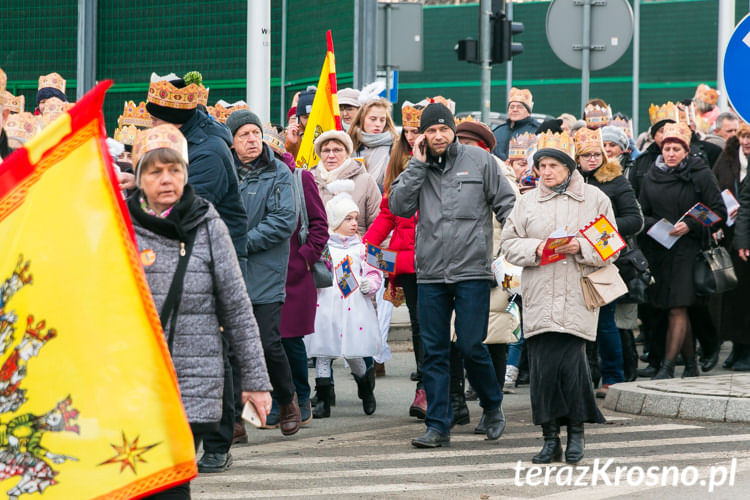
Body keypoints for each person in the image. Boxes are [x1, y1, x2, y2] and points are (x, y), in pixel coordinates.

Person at [128, 125, 272, 498]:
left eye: (174, 169)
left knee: (171, 486)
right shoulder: (119, 227)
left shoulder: (207, 224)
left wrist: (256, 381)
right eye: (155, 171)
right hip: (132, 383)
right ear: (139, 176)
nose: (166, 179)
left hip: (190, 384)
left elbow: (237, 308)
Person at [390, 102, 517, 448]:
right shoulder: (418, 166)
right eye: (430, 131)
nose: (437, 136)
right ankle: (438, 425)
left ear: (453, 130)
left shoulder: (481, 162)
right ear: (423, 137)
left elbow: (508, 207)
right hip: (430, 272)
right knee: (433, 351)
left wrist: (512, 252)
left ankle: (492, 406)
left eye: (443, 129)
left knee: (471, 343)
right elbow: (398, 205)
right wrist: (417, 165)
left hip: (472, 270)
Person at [500, 130, 614, 465]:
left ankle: (576, 433)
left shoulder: (594, 199)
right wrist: (537, 248)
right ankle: (550, 439)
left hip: (577, 293)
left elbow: (610, 246)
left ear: (569, 167)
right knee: (542, 372)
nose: (546, 172)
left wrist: (582, 247)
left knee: (573, 368)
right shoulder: (527, 201)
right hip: (539, 294)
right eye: (542, 165)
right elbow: (508, 243)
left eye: (553, 165)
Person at [224, 109, 301, 437]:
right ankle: (236, 418)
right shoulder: (225, 172)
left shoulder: (279, 172)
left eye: (255, 133)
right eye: (244, 135)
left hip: (266, 270)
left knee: (269, 342)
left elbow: (285, 220)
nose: (252, 140)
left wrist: (240, 243)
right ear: (232, 143)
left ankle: (287, 400)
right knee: (232, 346)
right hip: (230, 270)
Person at [639, 122, 726, 379]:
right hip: (661, 249)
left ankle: (667, 366)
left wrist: (689, 225)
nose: (671, 153)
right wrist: (657, 226)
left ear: (686, 151)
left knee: (678, 307)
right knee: (674, 308)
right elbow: (642, 214)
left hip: (689, 250)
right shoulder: (651, 176)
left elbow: (717, 211)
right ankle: (690, 365)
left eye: (677, 149)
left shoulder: (699, 173)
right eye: (667, 149)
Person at [363, 100, 425, 419]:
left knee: (437, 328)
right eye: (411, 131)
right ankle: (424, 388)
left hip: (437, 258)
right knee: (418, 326)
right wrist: (367, 245)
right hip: (406, 261)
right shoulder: (398, 164)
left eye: (420, 131)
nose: (415, 138)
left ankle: (444, 388)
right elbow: (387, 212)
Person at [267, 124, 330, 425]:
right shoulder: (248, 179)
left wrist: (304, 259)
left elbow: (319, 226)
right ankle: (279, 400)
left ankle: (300, 396)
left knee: (290, 341)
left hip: (294, 274)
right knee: (267, 340)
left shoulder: (299, 178)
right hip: (262, 273)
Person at [575, 127, 644, 397]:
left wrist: (599, 230)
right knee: (578, 325)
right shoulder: (569, 182)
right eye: (586, 155)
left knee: (605, 324)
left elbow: (635, 221)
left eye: (597, 154)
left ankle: (612, 377)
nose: (592, 159)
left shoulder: (617, 181)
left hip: (606, 260)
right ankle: (584, 377)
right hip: (574, 260)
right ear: (576, 158)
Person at [305, 191, 383, 418]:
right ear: (336, 221)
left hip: (354, 307)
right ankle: (323, 398)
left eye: (355, 218)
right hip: (327, 306)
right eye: (348, 218)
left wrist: (372, 283)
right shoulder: (324, 247)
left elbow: (376, 271)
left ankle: (365, 388)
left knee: (353, 352)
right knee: (323, 351)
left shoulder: (364, 246)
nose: (354, 223)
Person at [712, 123, 750, 371]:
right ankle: (738, 346)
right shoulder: (725, 159)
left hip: (743, 237)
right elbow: (714, 192)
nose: (746, 141)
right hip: (732, 238)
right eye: (744, 136)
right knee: (735, 297)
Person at [310, 130, 381, 236]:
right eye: (326, 150)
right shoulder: (309, 181)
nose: (331, 155)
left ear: (347, 153)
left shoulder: (365, 181)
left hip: (356, 249)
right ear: (320, 154)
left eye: (337, 150)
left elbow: (377, 224)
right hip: (318, 249)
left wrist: (367, 250)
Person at [348, 97, 399, 188]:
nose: (378, 124)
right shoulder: (349, 144)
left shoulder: (396, 145)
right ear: (362, 119)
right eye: (373, 119)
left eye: (382, 120)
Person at [493, 87, 540, 161]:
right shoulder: (497, 132)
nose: (515, 110)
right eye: (512, 107)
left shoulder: (537, 131)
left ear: (528, 111)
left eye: (519, 107)